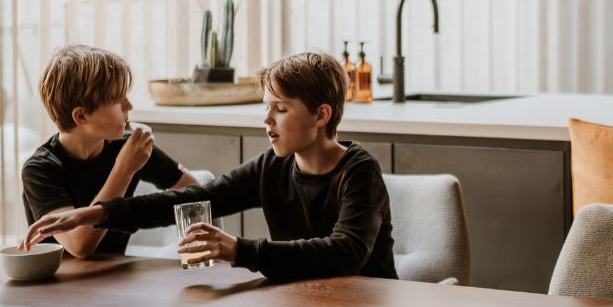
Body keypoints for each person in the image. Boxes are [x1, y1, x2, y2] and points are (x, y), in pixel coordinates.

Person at [22, 51, 397, 282]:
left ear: (321, 115)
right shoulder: (271, 166)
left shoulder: (359, 171)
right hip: (303, 303)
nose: (267, 121)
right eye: (265, 108)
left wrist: (239, 249)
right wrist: (96, 213)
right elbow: (196, 196)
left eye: (280, 110)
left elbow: (345, 252)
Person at [21, 45, 198, 259]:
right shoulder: (40, 170)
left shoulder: (129, 148)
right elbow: (80, 246)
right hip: (62, 286)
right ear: (82, 117)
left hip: (116, 280)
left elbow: (196, 192)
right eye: (118, 100)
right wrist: (123, 170)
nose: (129, 106)